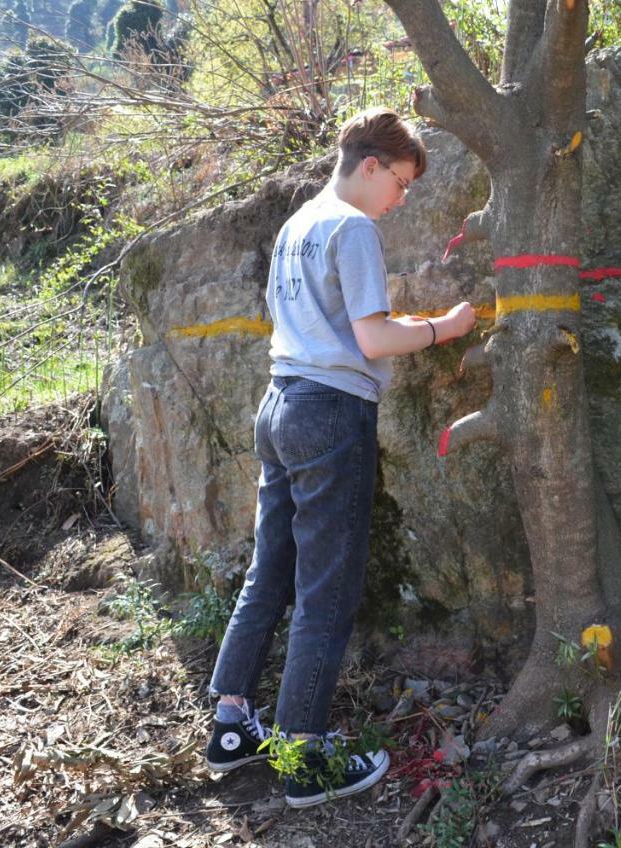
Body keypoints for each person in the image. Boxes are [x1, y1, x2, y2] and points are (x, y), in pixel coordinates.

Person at [203, 108, 477, 808]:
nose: (403, 198)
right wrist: (445, 328)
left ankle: (232, 725)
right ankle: (302, 758)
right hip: (328, 414)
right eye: (403, 182)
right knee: (326, 590)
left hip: (279, 403)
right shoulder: (354, 229)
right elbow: (373, 338)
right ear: (371, 165)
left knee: (272, 570)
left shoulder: (299, 223)